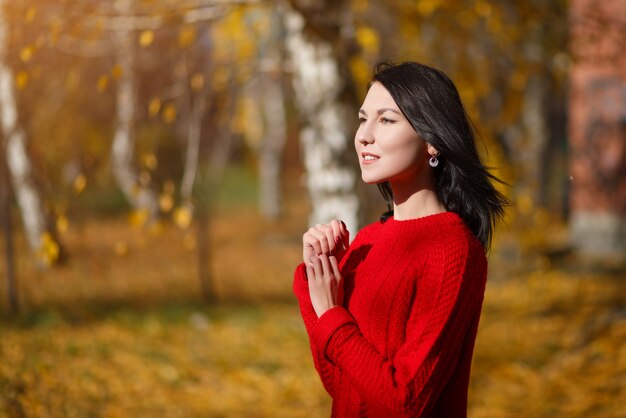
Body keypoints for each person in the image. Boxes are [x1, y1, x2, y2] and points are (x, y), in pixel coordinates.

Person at [293, 61, 508, 417]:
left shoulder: (451, 250)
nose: (364, 135)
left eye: (386, 120)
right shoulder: (367, 241)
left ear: (433, 141)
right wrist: (316, 280)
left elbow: (405, 402)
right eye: (363, 119)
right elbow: (342, 385)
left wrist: (331, 313)